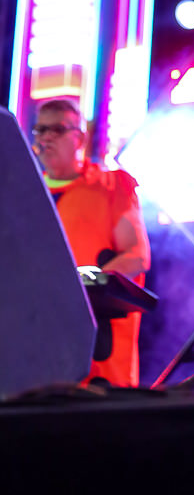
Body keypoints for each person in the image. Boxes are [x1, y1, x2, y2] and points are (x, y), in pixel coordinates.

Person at [31, 98, 151, 386]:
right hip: (34, 353)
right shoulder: (23, 194)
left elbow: (137, 256)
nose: (47, 137)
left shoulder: (112, 185)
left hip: (99, 361)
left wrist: (79, 287)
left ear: (80, 138)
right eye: (41, 130)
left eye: (58, 129)